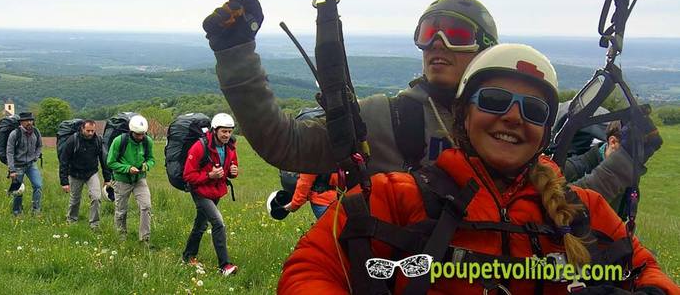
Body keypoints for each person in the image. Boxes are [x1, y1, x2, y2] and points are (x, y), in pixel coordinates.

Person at [280, 44, 678, 294]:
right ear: (463, 117)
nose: (513, 117)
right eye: (493, 100)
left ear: (543, 131)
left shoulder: (580, 209)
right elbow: (311, 268)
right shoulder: (396, 196)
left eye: (533, 110)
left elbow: (644, 268)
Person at [203, 0, 655, 203]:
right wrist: (237, 53)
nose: (437, 42)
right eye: (427, 32)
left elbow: (560, 210)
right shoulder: (387, 117)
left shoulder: (507, 124)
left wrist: (625, 160)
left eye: (455, 33)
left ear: (484, 50)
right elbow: (285, 144)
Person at [180, 113, 240, 276]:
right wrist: (209, 175)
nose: (227, 135)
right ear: (215, 130)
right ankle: (225, 266)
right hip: (200, 191)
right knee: (218, 223)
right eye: (224, 132)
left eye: (229, 131)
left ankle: (187, 256)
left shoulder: (230, 147)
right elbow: (188, 175)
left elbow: (228, 170)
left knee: (201, 225)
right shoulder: (200, 146)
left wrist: (233, 172)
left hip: (216, 191)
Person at [106, 115, 156, 247]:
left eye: (143, 134)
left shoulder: (147, 141)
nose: (141, 137)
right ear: (132, 132)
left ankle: (144, 239)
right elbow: (110, 162)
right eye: (138, 134)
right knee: (121, 210)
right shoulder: (119, 141)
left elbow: (151, 159)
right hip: (122, 180)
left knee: (146, 206)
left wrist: (147, 165)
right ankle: (121, 236)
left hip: (140, 179)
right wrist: (127, 168)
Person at [58, 119, 112, 228]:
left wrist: (107, 179)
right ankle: (72, 220)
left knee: (96, 197)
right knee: (75, 200)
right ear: (82, 129)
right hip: (75, 174)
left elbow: (103, 160)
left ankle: (94, 224)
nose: (91, 133)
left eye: (92, 131)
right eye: (88, 131)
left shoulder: (98, 140)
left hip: (91, 173)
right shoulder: (73, 140)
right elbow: (64, 161)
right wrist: (64, 182)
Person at [6, 112, 44, 216]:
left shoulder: (36, 131)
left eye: (31, 120)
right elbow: (9, 152)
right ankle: (17, 212)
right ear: (21, 122)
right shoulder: (15, 134)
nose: (29, 122)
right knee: (18, 190)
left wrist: (36, 156)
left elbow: (40, 145)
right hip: (18, 165)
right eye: (27, 121)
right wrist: (12, 170)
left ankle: (36, 210)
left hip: (31, 165)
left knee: (38, 185)